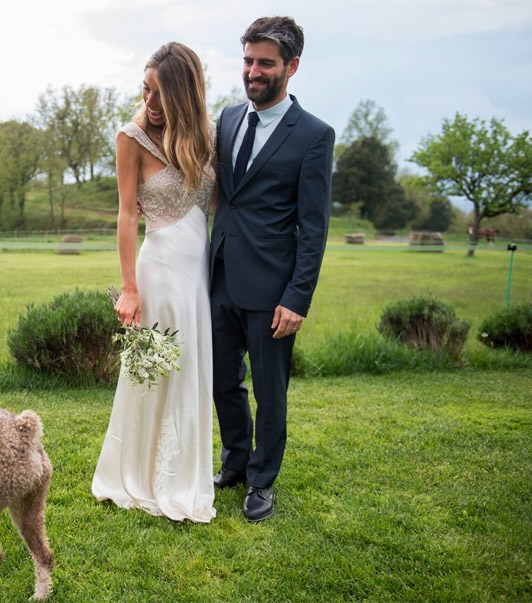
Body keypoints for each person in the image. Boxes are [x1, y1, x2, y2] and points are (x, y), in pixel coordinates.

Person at [209, 16, 334, 522]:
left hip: (272, 291)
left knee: (269, 391)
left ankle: (262, 480)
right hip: (217, 278)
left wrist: (297, 297)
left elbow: (315, 226)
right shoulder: (228, 118)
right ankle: (235, 461)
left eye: (265, 63)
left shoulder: (314, 135)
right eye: (247, 61)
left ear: (292, 67)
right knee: (221, 381)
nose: (253, 72)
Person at [92, 42, 217, 523]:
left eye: (161, 94)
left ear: (186, 95)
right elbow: (125, 215)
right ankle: (138, 475)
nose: (150, 103)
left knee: (190, 369)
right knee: (154, 373)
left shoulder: (208, 135)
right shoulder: (132, 137)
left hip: (198, 273)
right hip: (157, 270)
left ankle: (185, 473)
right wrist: (129, 288)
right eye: (145, 90)